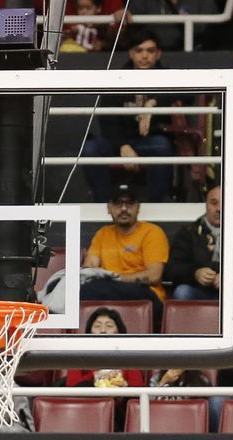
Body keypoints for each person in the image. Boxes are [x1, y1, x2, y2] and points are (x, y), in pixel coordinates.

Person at [83, 32, 177, 203]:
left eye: (150, 50)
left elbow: (188, 94)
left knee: (162, 147)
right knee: (90, 149)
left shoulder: (168, 76)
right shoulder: (117, 79)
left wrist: (152, 104)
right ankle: (104, 205)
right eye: (139, 50)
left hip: (150, 141)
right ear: (131, 53)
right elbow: (107, 119)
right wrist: (123, 146)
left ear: (158, 53)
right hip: (118, 141)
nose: (144, 55)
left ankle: (155, 205)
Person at [81, 186, 168, 315]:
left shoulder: (152, 232)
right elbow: (89, 269)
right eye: (118, 203)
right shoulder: (103, 234)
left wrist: (117, 279)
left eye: (129, 203)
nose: (124, 209)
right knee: (85, 289)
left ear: (138, 207)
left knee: (95, 288)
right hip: (108, 293)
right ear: (109, 208)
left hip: (146, 294)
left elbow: (154, 276)